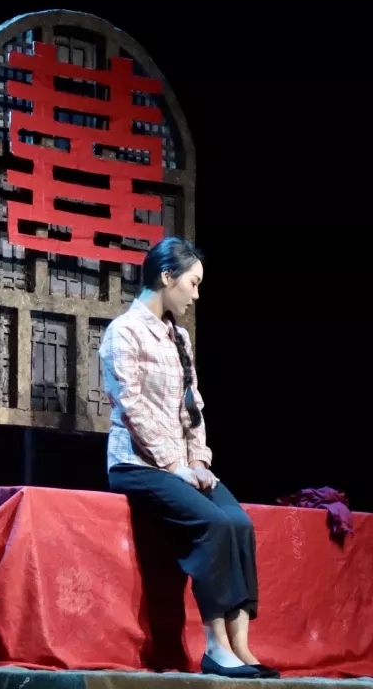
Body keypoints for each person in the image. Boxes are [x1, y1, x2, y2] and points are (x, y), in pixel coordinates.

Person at [98, 237, 280, 680]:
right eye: (193, 284)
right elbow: (132, 407)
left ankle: (241, 646)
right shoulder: (124, 331)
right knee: (213, 525)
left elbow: (192, 407)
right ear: (167, 277)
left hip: (183, 465)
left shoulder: (178, 336)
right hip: (138, 465)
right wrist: (172, 466)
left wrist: (198, 462)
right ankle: (216, 647)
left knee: (239, 523)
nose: (196, 295)